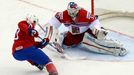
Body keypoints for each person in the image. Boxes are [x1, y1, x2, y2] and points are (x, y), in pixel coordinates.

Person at [45, 2, 127, 56]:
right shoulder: (63, 15)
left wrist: (97, 29)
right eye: (70, 13)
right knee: (66, 44)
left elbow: (94, 20)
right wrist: (50, 37)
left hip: (87, 31)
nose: (73, 15)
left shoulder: (85, 14)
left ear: (78, 10)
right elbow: (52, 24)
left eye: (74, 13)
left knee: (92, 42)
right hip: (75, 34)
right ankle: (63, 36)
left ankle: (116, 48)